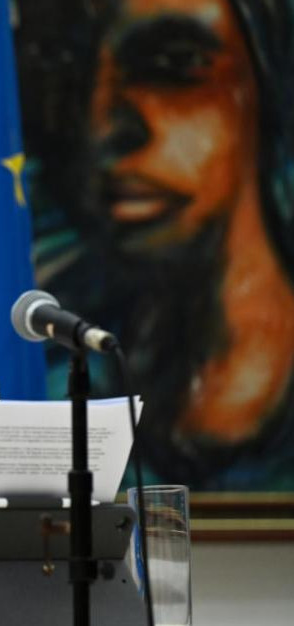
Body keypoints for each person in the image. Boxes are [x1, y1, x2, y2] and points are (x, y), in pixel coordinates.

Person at [86, 0, 294, 487]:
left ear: (268, 92)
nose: (104, 126)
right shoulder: (62, 376)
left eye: (171, 67)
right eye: (73, 88)